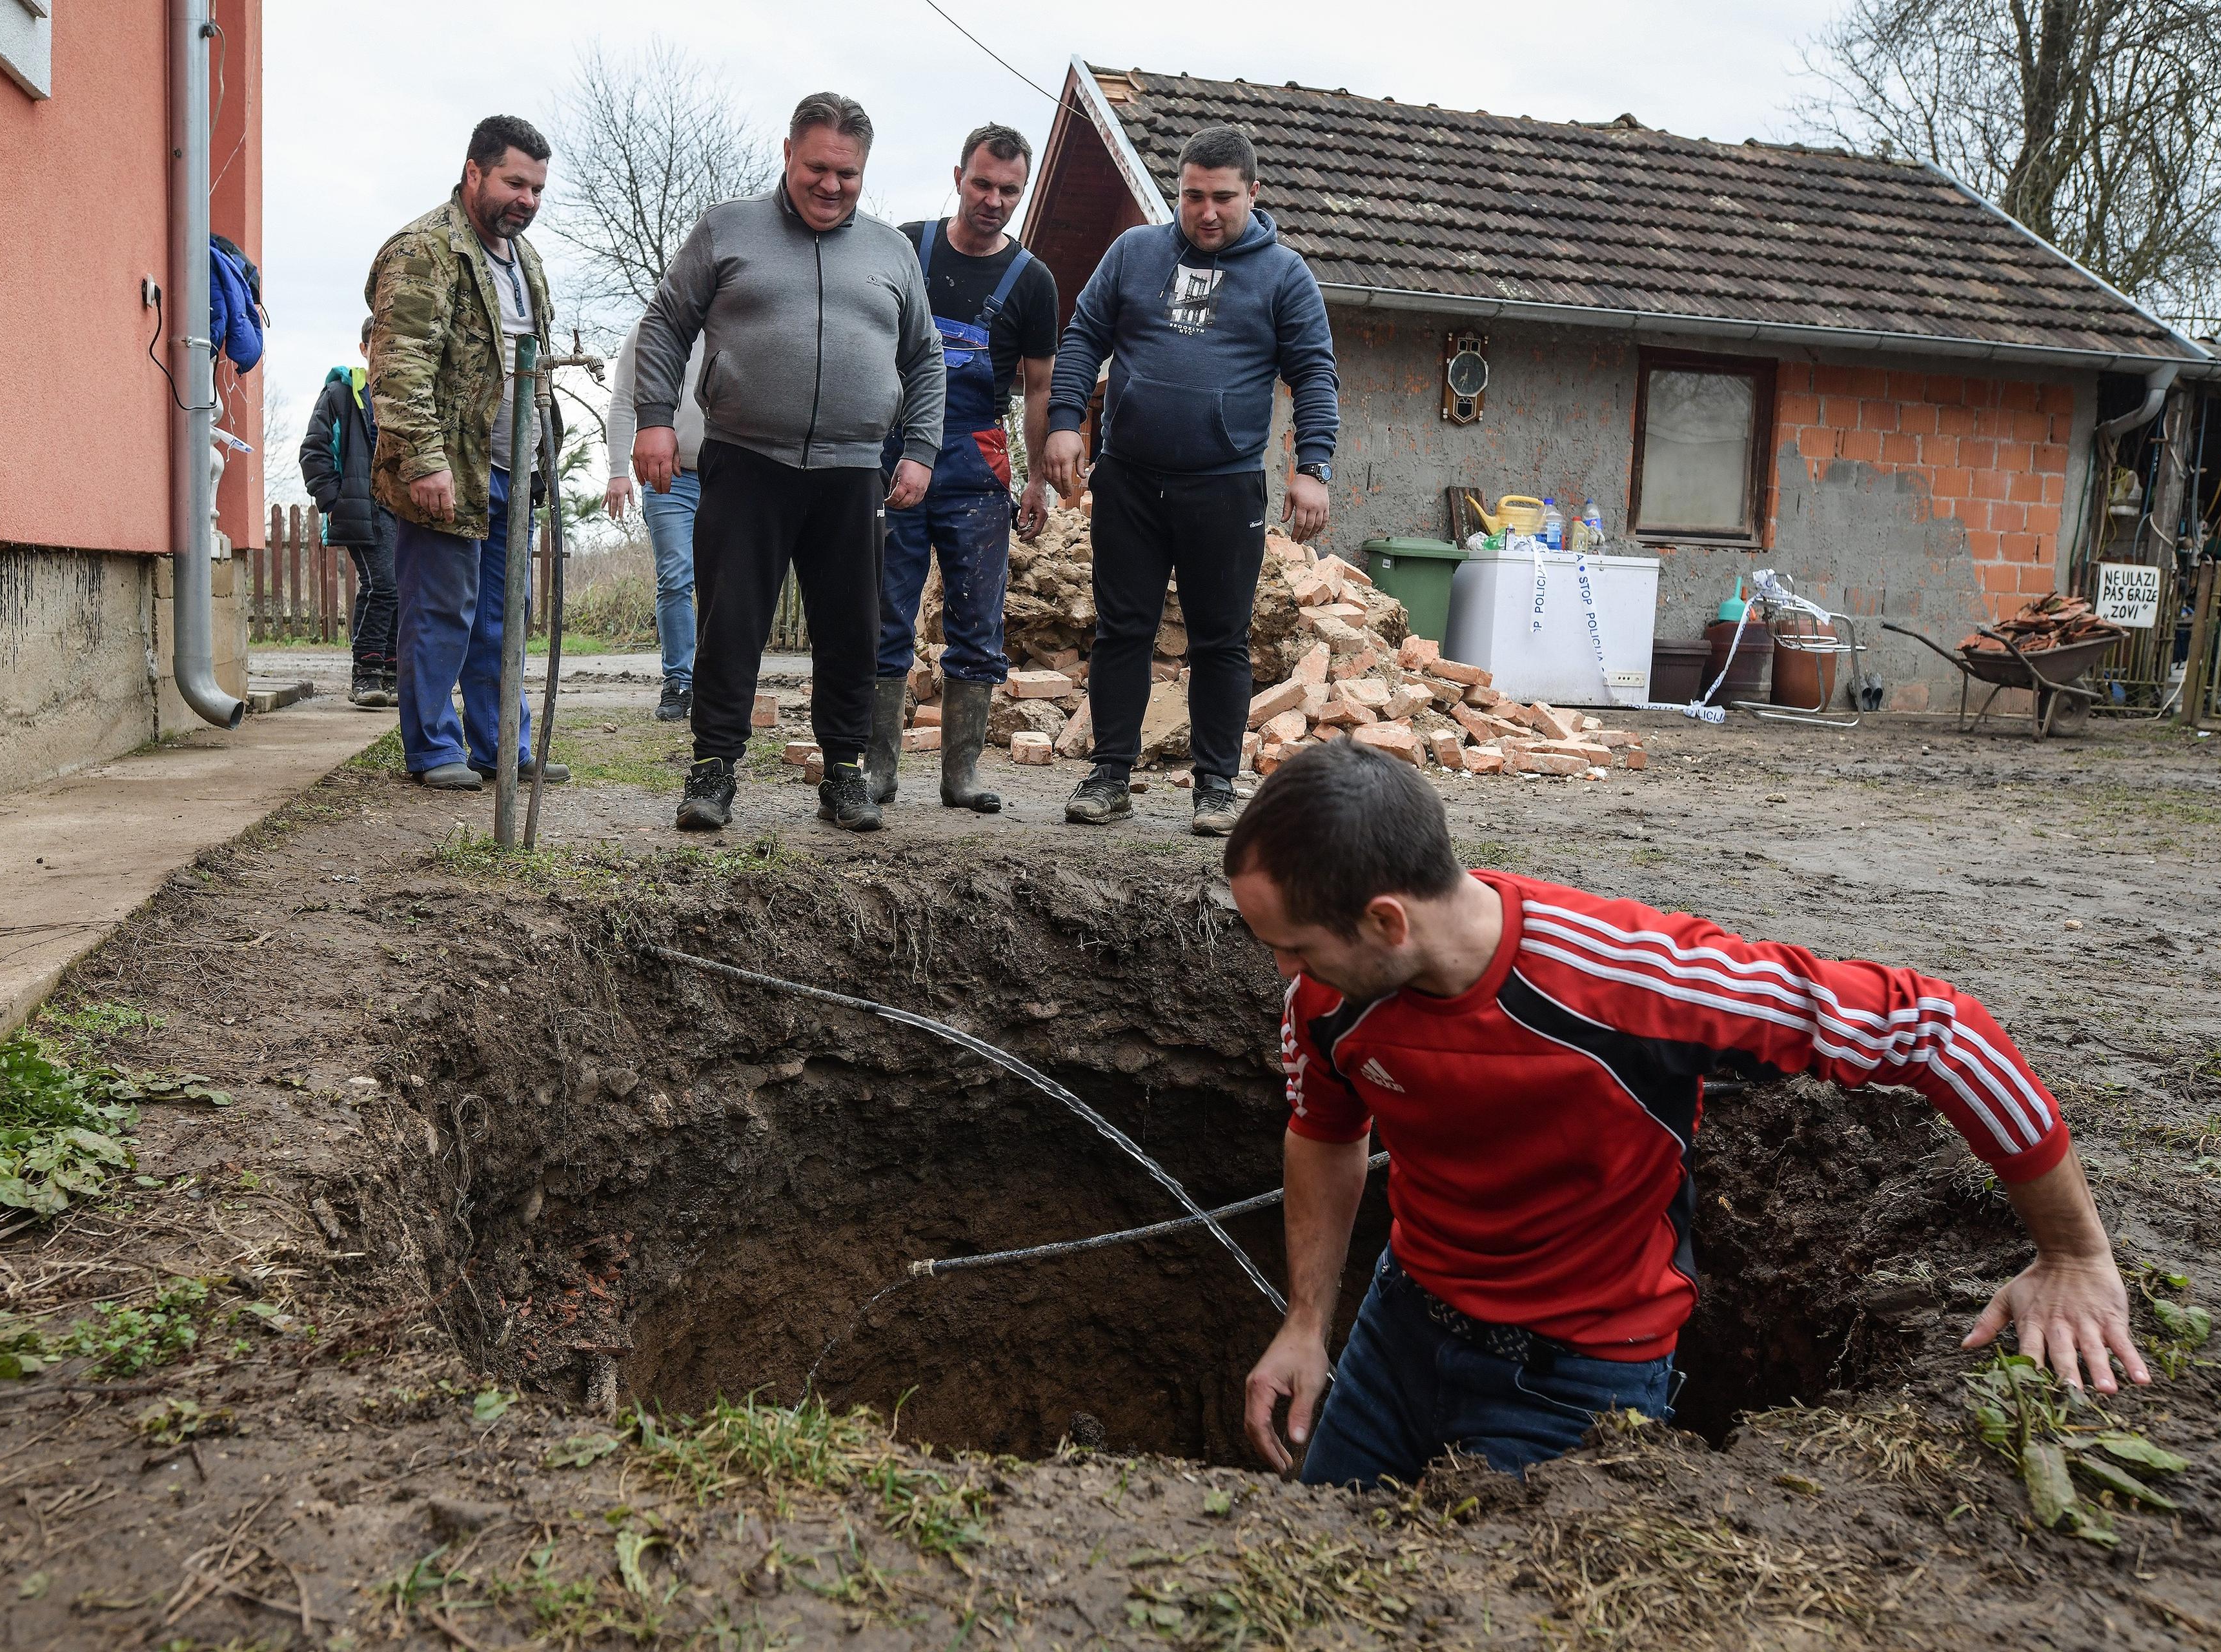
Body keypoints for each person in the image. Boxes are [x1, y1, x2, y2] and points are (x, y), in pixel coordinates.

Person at [1224, 741, 2146, 1487]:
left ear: (1388, 922)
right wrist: (1308, 1323)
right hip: (1396, 1336)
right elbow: (1326, 1131)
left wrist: (2074, 1254)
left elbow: (1941, 1030)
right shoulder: (1330, 998)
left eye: (1294, 948)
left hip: (1574, 1381)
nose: (1283, 974)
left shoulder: (1632, 977)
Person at [632, 92, 944, 834]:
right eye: (817, 168)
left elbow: (925, 357)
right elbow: (665, 325)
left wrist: (921, 449)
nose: (831, 186)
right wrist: (653, 422)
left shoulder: (891, 252)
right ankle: (713, 769)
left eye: (848, 173)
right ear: (787, 153)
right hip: (747, 460)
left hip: (852, 469)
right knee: (732, 621)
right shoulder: (727, 229)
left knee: (850, 628)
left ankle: (844, 772)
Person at [1042, 124, 1340, 837]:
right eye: (1193, 197)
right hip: (1131, 481)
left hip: (1225, 485)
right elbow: (1084, 335)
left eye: (1224, 199)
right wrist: (1062, 422)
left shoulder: (1284, 275)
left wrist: (1312, 468)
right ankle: (1110, 774)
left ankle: (1214, 787)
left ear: (1253, 194)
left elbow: (1314, 374)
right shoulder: (1135, 253)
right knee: (1122, 630)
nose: (1207, 212)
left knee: (1220, 639)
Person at [365, 114, 569, 792]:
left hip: (513, 470)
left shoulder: (526, 261)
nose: (528, 201)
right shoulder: (424, 250)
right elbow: (400, 367)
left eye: (538, 188)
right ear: (474, 172)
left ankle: (503, 745)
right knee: (440, 613)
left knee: (502, 618)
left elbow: (533, 367)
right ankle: (433, 749)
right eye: (516, 183)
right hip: (450, 470)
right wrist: (423, 459)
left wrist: (546, 453)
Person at [861, 125, 1060, 814]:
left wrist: (1036, 477)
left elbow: (1039, 387)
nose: (994, 199)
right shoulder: (903, 248)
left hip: (978, 468)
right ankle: (879, 769)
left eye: (1010, 189)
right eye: (983, 183)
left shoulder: (1032, 281)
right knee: (886, 611)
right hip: (893, 456)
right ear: (957, 176)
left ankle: (961, 776)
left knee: (977, 622)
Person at [602, 315, 706, 721]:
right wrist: (616, 471)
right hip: (671, 477)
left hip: (731, 475)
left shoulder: (736, 319)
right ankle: (679, 680)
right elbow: (624, 398)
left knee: (729, 581)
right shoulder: (649, 330)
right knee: (677, 573)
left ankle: (718, 681)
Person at [299, 317, 399, 709]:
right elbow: (314, 451)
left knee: (397, 589)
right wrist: (334, 502)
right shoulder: (342, 393)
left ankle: (389, 675)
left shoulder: (404, 396)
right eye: (379, 344)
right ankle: (366, 675)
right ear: (364, 349)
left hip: (400, 511)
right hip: (361, 507)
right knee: (384, 585)